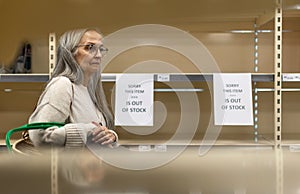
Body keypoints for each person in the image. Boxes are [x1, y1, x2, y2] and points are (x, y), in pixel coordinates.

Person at [28, 28, 118, 148]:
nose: (98, 55)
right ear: (70, 52)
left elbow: (96, 134)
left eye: (101, 49)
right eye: (90, 47)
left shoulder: (90, 91)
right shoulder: (62, 85)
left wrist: (110, 136)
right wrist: (88, 130)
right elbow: (39, 135)